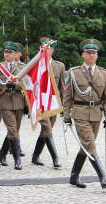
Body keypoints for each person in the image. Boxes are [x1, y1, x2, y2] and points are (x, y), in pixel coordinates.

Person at [64, 39, 106, 189]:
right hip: (80, 113)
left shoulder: (104, 74)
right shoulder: (73, 73)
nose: (92, 55)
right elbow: (67, 96)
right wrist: (66, 115)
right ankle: (102, 177)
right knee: (90, 145)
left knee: (85, 146)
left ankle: (73, 176)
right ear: (83, 55)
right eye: (88, 53)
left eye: (94, 53)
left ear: (97, 56)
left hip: (96, 114)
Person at [31, 37, 65, 169]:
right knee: (48, 129)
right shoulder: (35, 64)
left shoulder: (59, 66)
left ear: (53, 50)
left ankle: (35, 156)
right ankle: (55, 158)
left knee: (44, 131)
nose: (47, 50)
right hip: (40, 104)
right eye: (45, 47)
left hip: (53, 104)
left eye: (50, 48)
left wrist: (64, 107)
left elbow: (62, 88)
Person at [0, 41, 25, 170]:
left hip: (18, 102)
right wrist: (0, 86)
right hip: (5, 101)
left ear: (16, 54)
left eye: (10, 52)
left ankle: (2, 155)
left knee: (14, 131)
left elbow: (27, 84)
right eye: (6, 52)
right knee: (12, 130)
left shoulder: (23, 68)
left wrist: (16, 85)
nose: (7, 54)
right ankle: (17, 159)